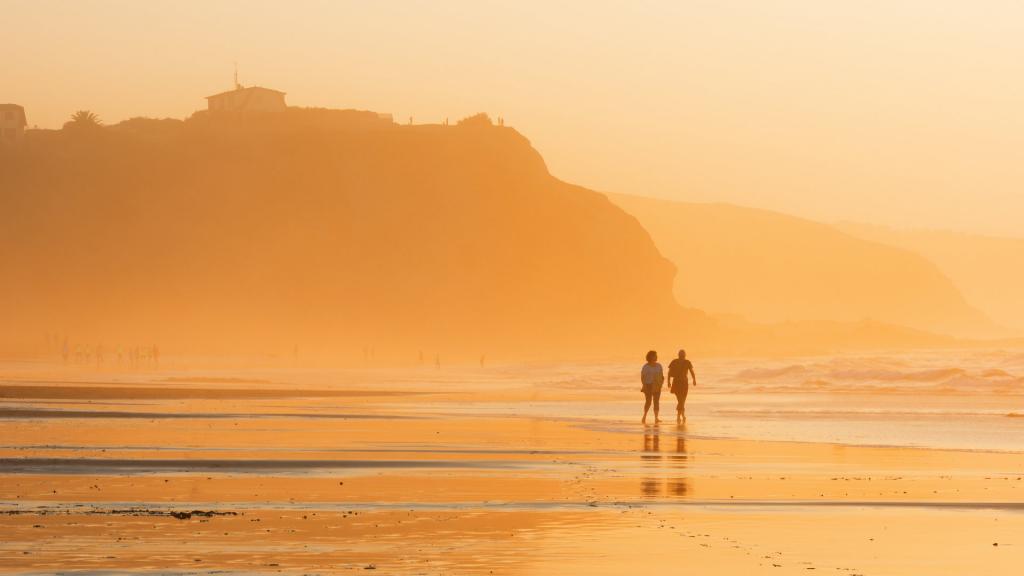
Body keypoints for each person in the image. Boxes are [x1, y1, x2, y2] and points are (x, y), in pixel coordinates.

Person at [667, 349, 697, 423]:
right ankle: (680, 416)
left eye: (683, 355)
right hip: (677, 383)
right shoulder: (674, 362)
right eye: (681, 354)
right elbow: (669, 372)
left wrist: (694, 379)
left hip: (684, 383)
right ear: (679, 355)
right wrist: (668, 382)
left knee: (682, 400)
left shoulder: (687, 362)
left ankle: (681, 415)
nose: (682, 356)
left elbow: (691, 371)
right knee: (681, 400)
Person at [640, 350, 664, 424]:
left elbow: (662, 376)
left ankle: (656, 418)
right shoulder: (646, 367)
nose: (656, 357)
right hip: (648, 385)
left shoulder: (659, 365)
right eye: (655, 355)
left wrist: (661, 384)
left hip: (657, 385)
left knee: (656, 402)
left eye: (656, 355)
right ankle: (644, 416)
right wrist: (644, 386)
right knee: (648, 402)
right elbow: (642, 377)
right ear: (650, 357)